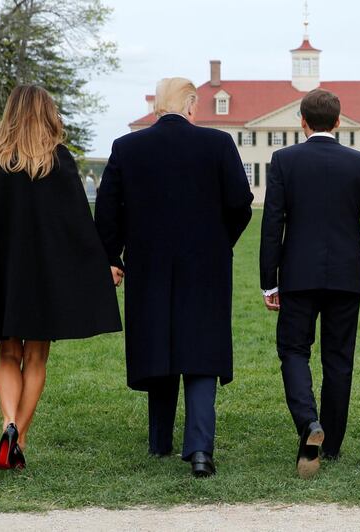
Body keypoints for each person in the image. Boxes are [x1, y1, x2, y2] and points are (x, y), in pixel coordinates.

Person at [0, 85, 122, 470]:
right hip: (44, 276)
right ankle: (19, 439)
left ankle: (8, 424)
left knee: (7, 352)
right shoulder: (57, 161)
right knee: (36, 356)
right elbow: (77, 225)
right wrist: (101, 264)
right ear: (46, 113)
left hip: (2, 273)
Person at [94, 77, 253, 478]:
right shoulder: (217, 144)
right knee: (200, 353)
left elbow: (107, 212)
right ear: (192, 107)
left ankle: (159, 441)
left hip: (149, 264)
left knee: (159, 343)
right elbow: (241, 204)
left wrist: (113, 255)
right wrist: (221, 242)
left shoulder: (126, 148)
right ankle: (200, 450)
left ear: (157, 107)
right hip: (206, 265)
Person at [260, 88, 360, 478]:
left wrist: (267, 282)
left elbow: (273, 224)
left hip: (298, 274)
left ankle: (310, 423)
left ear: (302, 121)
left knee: (293, 351)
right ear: (338, 122)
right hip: (345, 274)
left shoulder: (284, 160)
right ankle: (333, 444)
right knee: (338, 359)